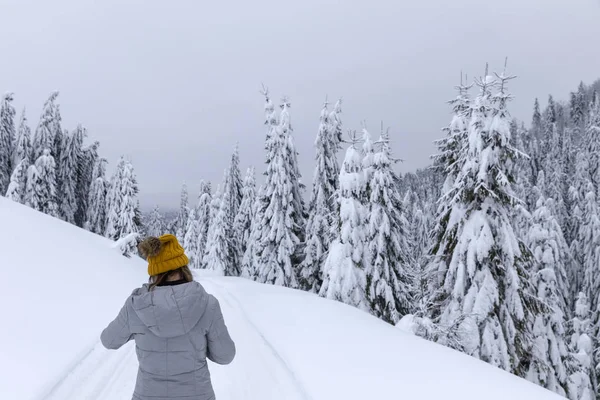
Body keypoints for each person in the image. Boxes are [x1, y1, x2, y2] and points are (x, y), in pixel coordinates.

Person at [101, 234, 236, 400]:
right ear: (183, 268)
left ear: (154, 271)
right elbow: (225, 356)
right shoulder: (208, 304)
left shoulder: (136, 305)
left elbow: (108, 340)